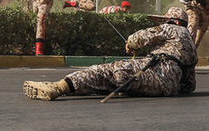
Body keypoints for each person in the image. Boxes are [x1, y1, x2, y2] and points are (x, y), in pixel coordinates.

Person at [24, 7, 198, 101]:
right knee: (112, 82)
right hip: (166, 89)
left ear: (172, 21)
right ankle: (70, 87)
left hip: (155, 72)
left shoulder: (169, 28)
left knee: (106, 72)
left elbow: (139, 38)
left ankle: (58, 87)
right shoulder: (190, 42)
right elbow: (189, 85)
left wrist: (130, 44)